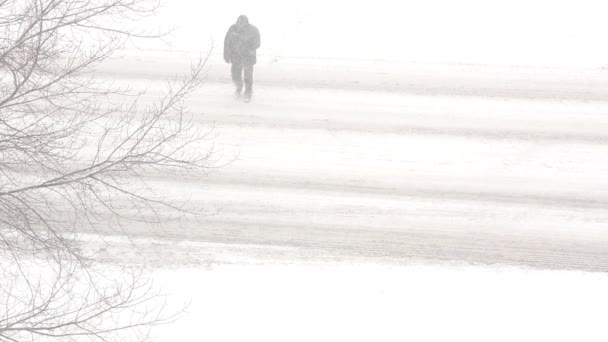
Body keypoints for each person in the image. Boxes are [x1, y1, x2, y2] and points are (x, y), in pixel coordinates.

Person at [224, 15, 261, 101]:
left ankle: (248, 92)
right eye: (238, 22)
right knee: (235, 75)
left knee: (248, 76)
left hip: (248, 56)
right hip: (236, 56)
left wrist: (246, 44)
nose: (239, 24)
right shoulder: (232, 28)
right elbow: (226, 42)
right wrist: (226, 55)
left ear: (246, 22)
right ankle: (239, 87)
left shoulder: (253, 30)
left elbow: (258, 43)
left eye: (242, 22)